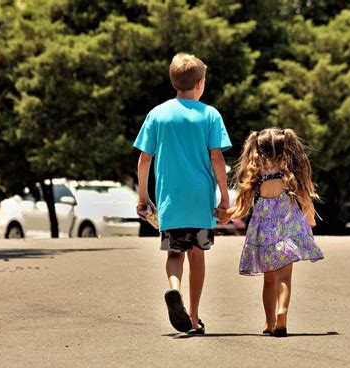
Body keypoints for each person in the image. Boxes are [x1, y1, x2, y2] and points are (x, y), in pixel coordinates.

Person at [133, 52, 232, 335]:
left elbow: (144, 159)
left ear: (174, 81)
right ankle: (194, 317)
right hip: (199, 200)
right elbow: (217, 158)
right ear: (200, 83)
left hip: (170, 200)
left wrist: (143, 196)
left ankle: (173, 290)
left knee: (175, 252)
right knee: (197, 254)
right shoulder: (210, 115)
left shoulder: (158, 114)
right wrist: (224, 196)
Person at [217, 128, 323, 337]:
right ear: (286, 149)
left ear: (258, 150)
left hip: (264, 232)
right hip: (288, 227)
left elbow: (243, 208)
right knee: (285, 277)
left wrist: (225, 214)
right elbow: (305, 200)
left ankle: (269, 322)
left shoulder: (256, 176)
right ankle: (283, 311)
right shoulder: (290, 174)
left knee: (269, 281)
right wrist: (309, 219)